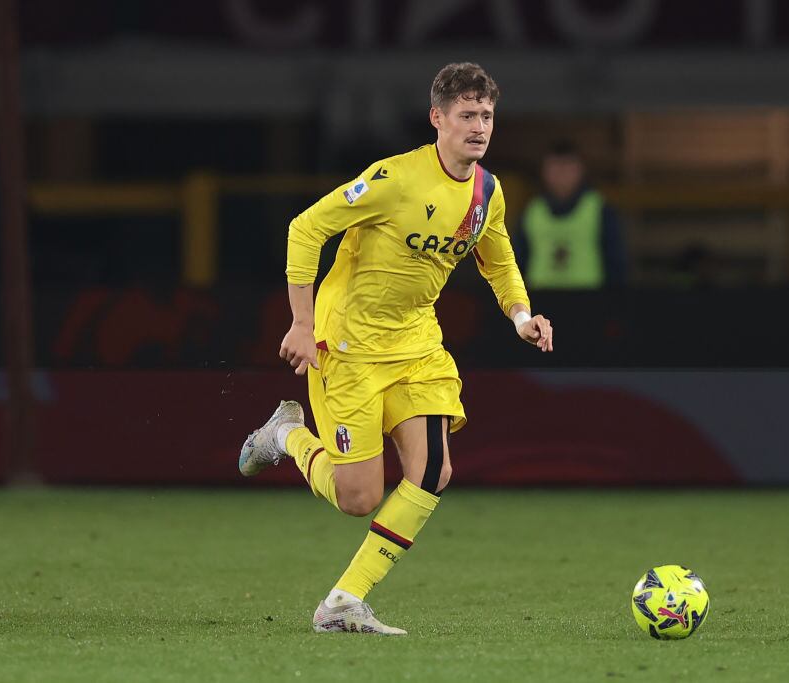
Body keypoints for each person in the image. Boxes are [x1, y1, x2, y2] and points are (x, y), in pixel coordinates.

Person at [238, 63, 553, 636]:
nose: (479, 127)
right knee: (359, 497)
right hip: (351, 343)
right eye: (467, 116)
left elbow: (497, 257)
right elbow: (305, 228)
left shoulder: (487, 190)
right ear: (438, 119)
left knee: (433, 470)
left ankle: (342, 602)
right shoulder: (392, 179)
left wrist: (521, 316)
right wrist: (302, 323)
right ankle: (284, 433)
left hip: (416, 343)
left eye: (486, 115)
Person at [515, 140, 626, 289]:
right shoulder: (532, 211)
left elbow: (616, 261)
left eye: (568, 167)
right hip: (540, 300)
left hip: (590, 300)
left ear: (581, 170)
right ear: (544, 172)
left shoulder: (600, 210)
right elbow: (516, 262)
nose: (561, 175)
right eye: (555, 168)